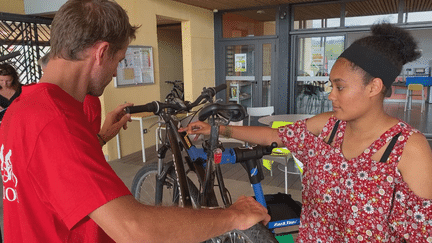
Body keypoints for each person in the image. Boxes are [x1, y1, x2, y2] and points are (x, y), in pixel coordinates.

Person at [0, 0, 270, 242]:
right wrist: (234, 216)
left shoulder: (21, 109)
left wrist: (101, 138)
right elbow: (134, 229)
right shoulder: (56, 122)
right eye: (118, 60)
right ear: (102, 52)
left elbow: (49, 179)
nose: (116, 71)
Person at [181, 23, 432, 242]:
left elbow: (422, 234)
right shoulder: (329, 127)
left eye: (340, 87)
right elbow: (274, 137)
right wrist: (219, 129)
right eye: (331, 85)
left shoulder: (409, 148)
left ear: (374, 86)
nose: (330, 94)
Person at [39, 52, 132, 146]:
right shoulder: (48, 104)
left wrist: (103, 136)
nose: (115, 74)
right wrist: (103, 137)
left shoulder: (88, 100)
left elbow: (87, 144)